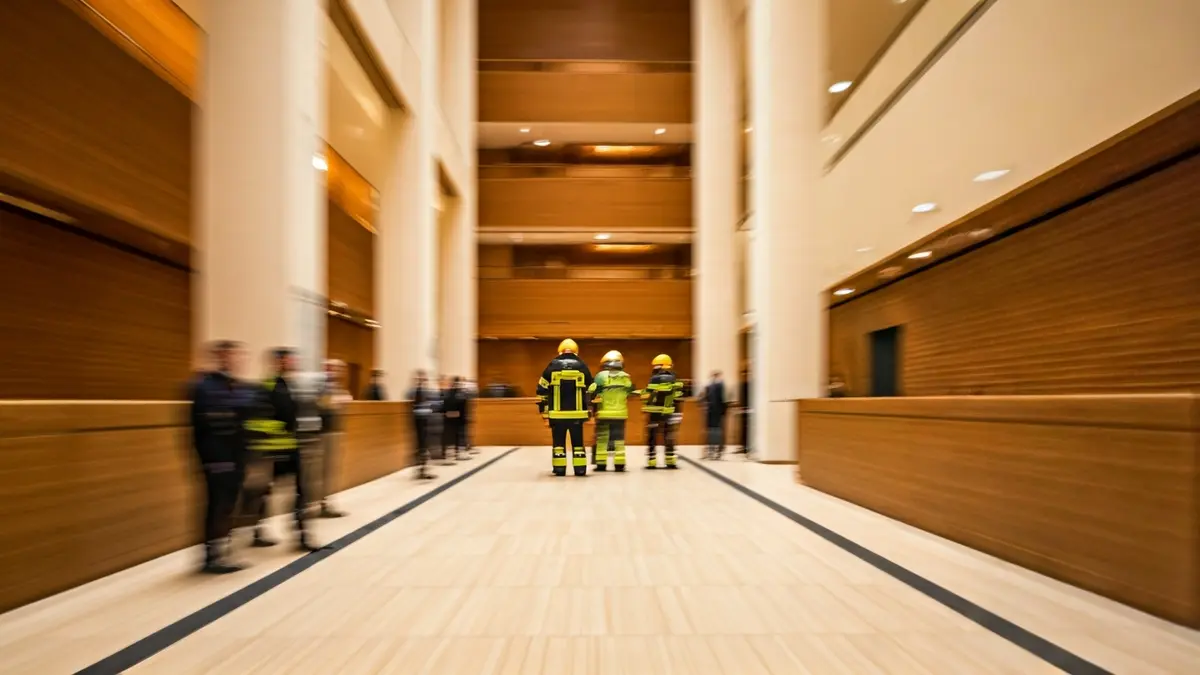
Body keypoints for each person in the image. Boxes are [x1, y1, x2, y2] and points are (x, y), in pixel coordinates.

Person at [245, 348, 319, 552]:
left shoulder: (289, 385)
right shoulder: (267, 387)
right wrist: (278, 434)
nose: (293, 363)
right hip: (272, 451)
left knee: (300, 491)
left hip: (290, 447)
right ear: (277, 362)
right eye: (289, 360)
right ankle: (258, 530)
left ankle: (301, 535)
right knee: (265, 492)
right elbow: (258, 421)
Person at [189, 340, 247, 574]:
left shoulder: (234, 385)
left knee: (228, 506)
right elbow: (204, 426)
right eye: (233, 355)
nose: (238, 360)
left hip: (235, 458)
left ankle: (223, 550)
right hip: (217, 459)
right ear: (221, 356)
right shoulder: (205, 386)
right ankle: (211, 556)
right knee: (216, 506)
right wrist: (211, 459)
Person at [536, 339, 593, 476]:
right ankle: (580, 469)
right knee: (578, 443)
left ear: (560, 350)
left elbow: (541, 390)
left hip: (557, 415)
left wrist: (544, 414)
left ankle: (560, 469)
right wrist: (590, 412)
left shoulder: (552, 365)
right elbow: (592, 389)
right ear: (576, 351)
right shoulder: (582, 366)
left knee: (558, 443)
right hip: (577, 415)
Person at [587, 349, 635, 472]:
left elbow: (591, 392)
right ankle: (619, 464)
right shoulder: (626, 377)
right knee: (619, 439)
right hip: (620, 414)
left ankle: (601, 464)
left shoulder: (600, 376)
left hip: (603, 414)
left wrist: (591, 411)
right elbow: (631, 391)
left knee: (602, 438)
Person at [316, 359, 350, 518]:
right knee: (326, 471)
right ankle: (325, 504)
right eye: (335, 368)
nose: (338, 372)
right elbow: (323, 405)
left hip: (333, 432)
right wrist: (337, 402)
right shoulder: (323, 386)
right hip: (325, 433)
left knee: (331, 471)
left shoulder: (334, 386)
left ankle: (327, 501)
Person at [642, 353, 683, 469]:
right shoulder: (675, 377)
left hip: (655, 412)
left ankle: (652, 460)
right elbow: (678, 396)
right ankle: (670, 461)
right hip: (671, 412)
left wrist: (646, 406)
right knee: (669, 436)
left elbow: (650, 395)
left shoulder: (654, 378)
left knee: (652, 436)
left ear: (659, 365)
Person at [408, 370, 436, 480]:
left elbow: (433, 405)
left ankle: (423, 469)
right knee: (420, 446)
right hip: (417, 423)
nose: (421, 381)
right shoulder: (412, 392)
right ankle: (420, 469)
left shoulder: (426, 392)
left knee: (424, 446)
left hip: (425, 422)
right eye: (420, 379)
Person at [701, 370, 729, 460]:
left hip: (711, 412)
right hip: (716, 413)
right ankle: (716, 450)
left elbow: (704, 398)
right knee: (716, 431)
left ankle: (712, 450)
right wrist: (724, 410)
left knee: (712, 431)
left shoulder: (710, 386)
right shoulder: (719, 385)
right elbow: (722, 400)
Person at [442, 376, 469, 461]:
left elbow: (464, 407)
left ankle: (454, 453)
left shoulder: (459, 394)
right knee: (452, 436)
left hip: (455, 418)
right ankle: (450, 454)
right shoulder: (453, 394)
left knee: (456, 436)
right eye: (456, 383)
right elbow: (445, 406)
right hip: (452, 418)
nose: (457, 385)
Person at [739, 367, 752, 456]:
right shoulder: (743, 385)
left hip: (749, 410)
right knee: (743, 428)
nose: (744, 376)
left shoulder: (751, 385)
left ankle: (748, 446)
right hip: (743, 409)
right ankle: (744, 446)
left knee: (748, 428)